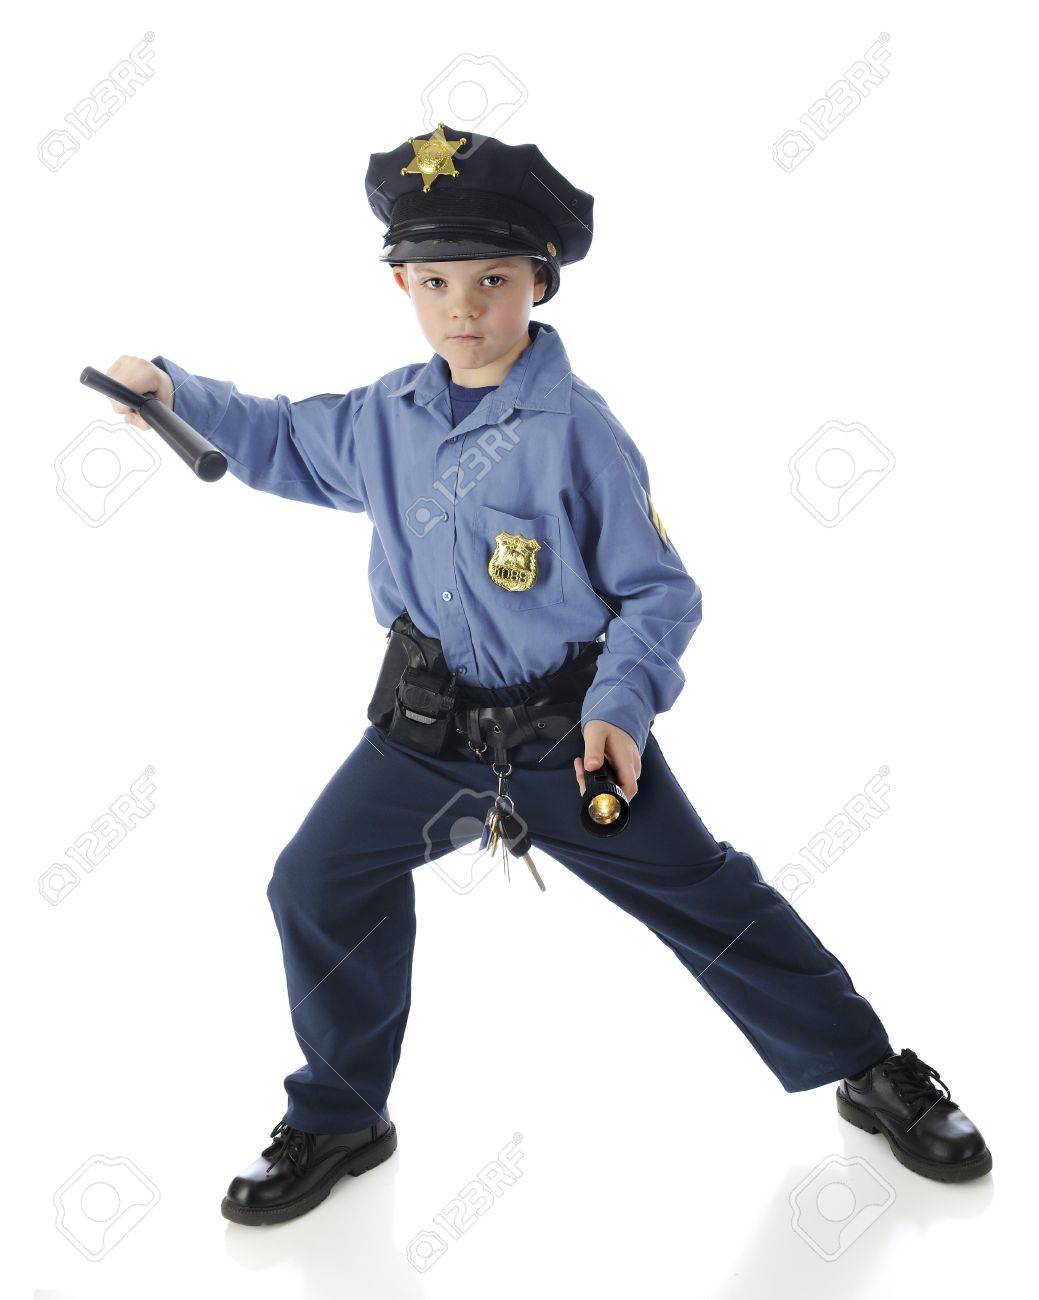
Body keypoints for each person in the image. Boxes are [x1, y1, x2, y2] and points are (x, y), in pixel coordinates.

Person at [105, 123, 991, 1226]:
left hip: (565, 736)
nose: (463, 307)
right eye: (435, 282)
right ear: (401, 285)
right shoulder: (385, 417)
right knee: (315, 881)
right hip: (423, 733)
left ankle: (868, 1066)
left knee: (709, 897)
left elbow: (659, 593)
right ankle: (339, 1114)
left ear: (539, 280)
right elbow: (279, 436)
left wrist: (618, 708)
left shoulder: (578, 432)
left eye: (491, 279)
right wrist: (169, 388)